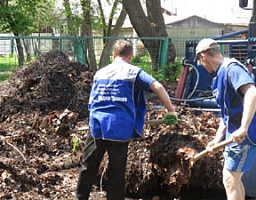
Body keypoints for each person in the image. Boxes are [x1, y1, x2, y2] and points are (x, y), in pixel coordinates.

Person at [75, 40, 177, 200]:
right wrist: (171, 111)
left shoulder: (100, 73)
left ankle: (80, 198)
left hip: (97, 126)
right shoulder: (133, 72)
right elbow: (158, 87)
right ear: (130, 56)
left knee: (88, 166)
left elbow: (91, 101)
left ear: (113, 55)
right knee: (116, 171)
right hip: (119, 127)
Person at [194, 38, 256, 200]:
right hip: (233, 135)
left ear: (204, 56)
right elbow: (226, 115)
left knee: (230, 178)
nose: (201, 65)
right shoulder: (219, 76)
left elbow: (252, 92)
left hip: (245, 134)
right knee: (233, 179)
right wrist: (216, 140)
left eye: (200, 60)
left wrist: (243, 127)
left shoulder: (232, 69)